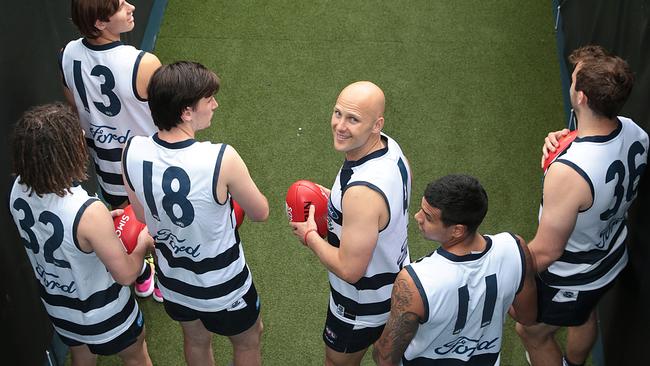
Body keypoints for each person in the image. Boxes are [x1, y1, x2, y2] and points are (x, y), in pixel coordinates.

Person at [122, 61, 269, 366]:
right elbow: (260, 212)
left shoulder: (131, 149)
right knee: (248, 340)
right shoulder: (220, 158)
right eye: (208, 99)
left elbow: (140, 213)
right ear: (186, 111)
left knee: (196, 340)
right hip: (225, 284)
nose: (215, 104)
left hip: (174, 279)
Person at [516, 45, 649, 366]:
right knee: (585, 315)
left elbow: (548, 251)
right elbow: (600, 148)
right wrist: (567, 141)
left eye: (575, 80)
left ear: (582, 98)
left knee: (531, 332)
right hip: (613, 254)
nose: (573, 79)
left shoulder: (570, 172)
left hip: (575, 275)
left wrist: (509, 275)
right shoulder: (636, 132)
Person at [9, 103, 154, 366]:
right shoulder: (87, 211)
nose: (83, 138)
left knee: (82, 356)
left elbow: (58, 235)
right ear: (64, 153)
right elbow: (126, 274)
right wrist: (142, 244)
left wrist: (93, 234)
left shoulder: (17, 191)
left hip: (59, 307)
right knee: (136, 355)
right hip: (104, 310)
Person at [290, 81, 412, 366]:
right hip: (396, 281)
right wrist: (336, 203)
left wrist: (310, 236)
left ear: (376, 124)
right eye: (337, 113)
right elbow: (385, 211)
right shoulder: (391, 149)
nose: (340, 125)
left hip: (361, 303)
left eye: (353, 119)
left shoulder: (361, 192)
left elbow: (350, 270)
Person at [371, 175, 537, 365]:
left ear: (457, 230)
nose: (417, 217)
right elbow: (527, 316)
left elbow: (384, 358)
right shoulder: (516, 248)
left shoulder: (415, 280)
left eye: (428, 216)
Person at [59, 0, 163, 301]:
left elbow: (74, 110)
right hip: (148, 167)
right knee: (163, 224)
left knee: (126, 220)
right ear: (101, 23)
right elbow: (166, 121)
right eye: (120, 6)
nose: (131, 7)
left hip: (106, 166)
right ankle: (161, 279)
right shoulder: (144, 63)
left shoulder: (66, 55)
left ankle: (143, 273)